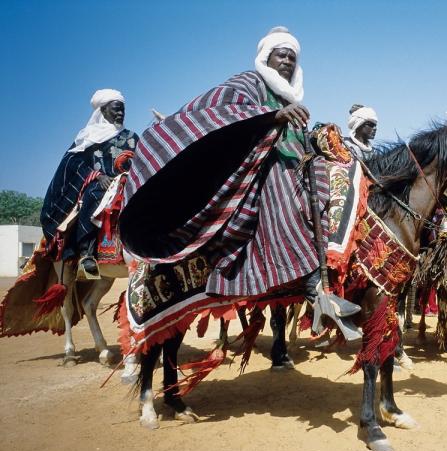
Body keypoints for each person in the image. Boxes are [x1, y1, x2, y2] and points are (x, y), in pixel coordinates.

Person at [120, 27, 358, 318]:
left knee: (331, 182)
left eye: (292, 58)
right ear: (266, 57)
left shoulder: (291, 97)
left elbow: (297, 139)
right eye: (281, 55)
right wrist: (272, 117)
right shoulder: (249, 82)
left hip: (295, 163)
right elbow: (222, 109)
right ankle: (311, 286)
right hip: (259, 167)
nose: (287, 62)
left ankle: (330, 274)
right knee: (281, 189)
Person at [40, 89, 138, 274]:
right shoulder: (89, 137)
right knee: (94, 195)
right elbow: (72, 163)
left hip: (129, 181)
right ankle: (87, 252)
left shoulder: (132, 137)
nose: (120, 113)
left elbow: (141, 159)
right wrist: (96, 176)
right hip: (101, 183)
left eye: (123, 110)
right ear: (102, 111)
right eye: (116, 109)